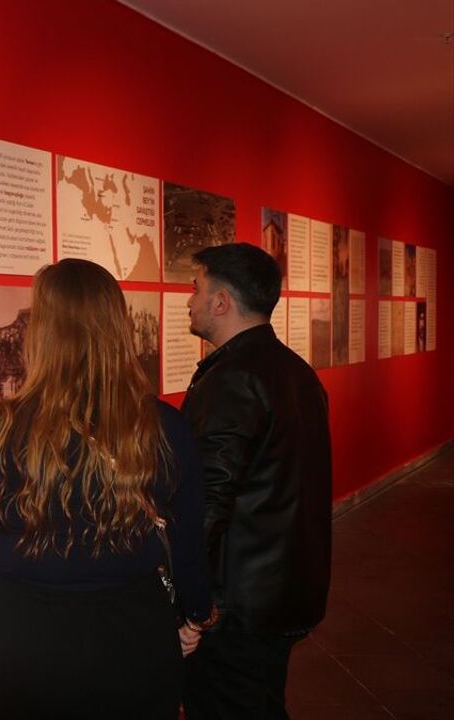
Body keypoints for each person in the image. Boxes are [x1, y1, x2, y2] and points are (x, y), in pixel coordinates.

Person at [0, 258, 214, 719]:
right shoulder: (165, 428)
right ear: (118, 329)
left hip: (22, 650)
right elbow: (188, 547)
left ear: (41, 333)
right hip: (134, 644)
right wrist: (196, 615)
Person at [181, 243, 332, 720]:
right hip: (282, 592)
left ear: (221, 301)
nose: (189, 300)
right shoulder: (297, 372)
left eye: (196, 288)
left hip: (237, 606)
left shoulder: (233, 379)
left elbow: (208, 500)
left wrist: (191, 603)